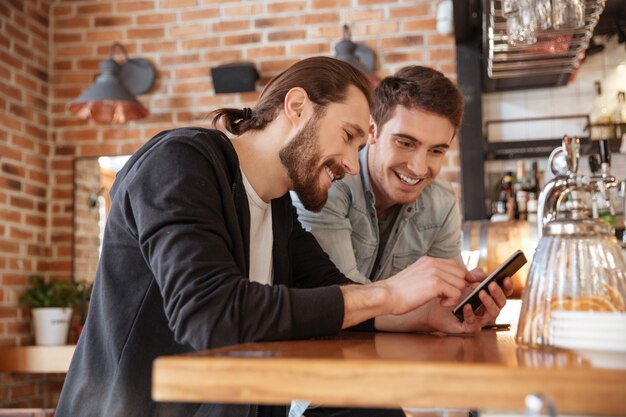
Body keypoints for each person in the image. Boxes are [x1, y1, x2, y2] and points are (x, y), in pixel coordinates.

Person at [55, 57, 510, 417]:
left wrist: (429, 317)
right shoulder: (180, 163)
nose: (353, 165)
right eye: (350, 135)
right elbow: (208, 315)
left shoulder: (277, 210)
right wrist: (389, 292)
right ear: (297, 108)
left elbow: (342, 303)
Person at [293, 66, 470, 285]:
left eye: (436, 151)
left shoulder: (441, 200)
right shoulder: (331, 183)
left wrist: (468, 298)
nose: (419, 169)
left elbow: (447, 288)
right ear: (372, 131)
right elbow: (340, 295)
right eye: (405, 143)